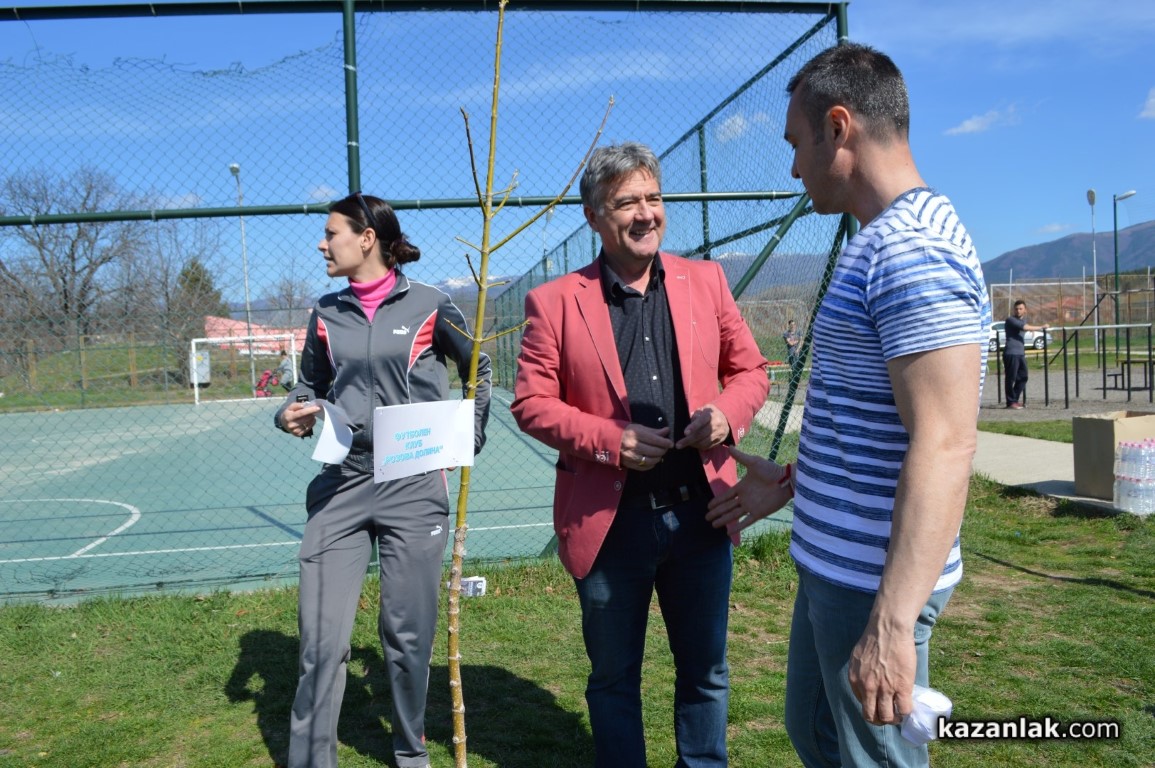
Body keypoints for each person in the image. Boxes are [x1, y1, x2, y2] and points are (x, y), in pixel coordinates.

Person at [705, 44, 990, 768]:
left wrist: (891, 623)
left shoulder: (911, 250)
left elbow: (945, 442)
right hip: (836, 565)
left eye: (796, 144)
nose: (793, 168)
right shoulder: (879, 241)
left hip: (870, 584)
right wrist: (796, 482)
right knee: (817, 734)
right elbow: (874, 420)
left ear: (838, 128)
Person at [510, 142, 770, 767]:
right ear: (594, 216)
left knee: (706, 672)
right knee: (613, 679)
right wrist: (610, 442)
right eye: (628, 202)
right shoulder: (556, 301)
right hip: (610, 525)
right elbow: (531, 403)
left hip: (702, 515)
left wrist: (725, 415)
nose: (646, 213)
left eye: (654, 198)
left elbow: (752, 371)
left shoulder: (705, 281)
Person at [274, 192, 492, 768]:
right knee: (321, 641)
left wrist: (466, 436)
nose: (322, 244)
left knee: (407, 637)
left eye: (331, 234)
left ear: (366, 238)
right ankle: (311, 760)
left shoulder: (431, 304)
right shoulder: (326, 312)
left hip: (414, 485)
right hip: (341, 484)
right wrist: (291, 410)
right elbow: (309, 384)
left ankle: (409, 752)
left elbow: (479, 366)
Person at [1003, 299, 1047, 409]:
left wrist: (1031, 329)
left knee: (1023, 376)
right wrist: (1041, 327)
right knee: (1011, 378)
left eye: (1020, 309)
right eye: (1016, 309)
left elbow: (1025, 326)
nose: (1018, 311)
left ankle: (1014, 399)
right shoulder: (1010, 320)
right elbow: (1025, 327)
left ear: (1025, 310)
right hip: (1011, 353)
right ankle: (1010, 402)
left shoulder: (1023, 321)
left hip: (1020, 353)